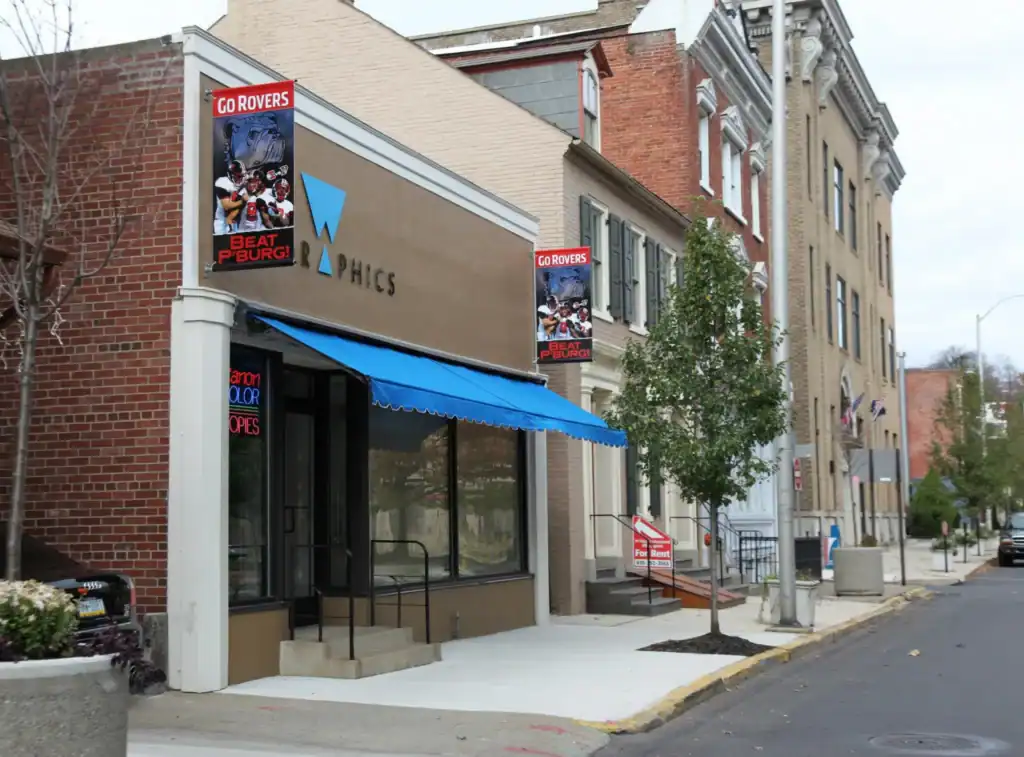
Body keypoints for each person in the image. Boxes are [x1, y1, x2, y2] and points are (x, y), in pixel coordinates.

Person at [213, 159, 248, 235]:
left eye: (242, 176)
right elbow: (226, 206)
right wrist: (242, 201)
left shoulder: (243, 188)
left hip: (234, 221)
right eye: (238, 176)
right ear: (231, 174)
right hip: (221, 221)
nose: (241, 178)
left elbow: (238, 208)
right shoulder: (222, 182)